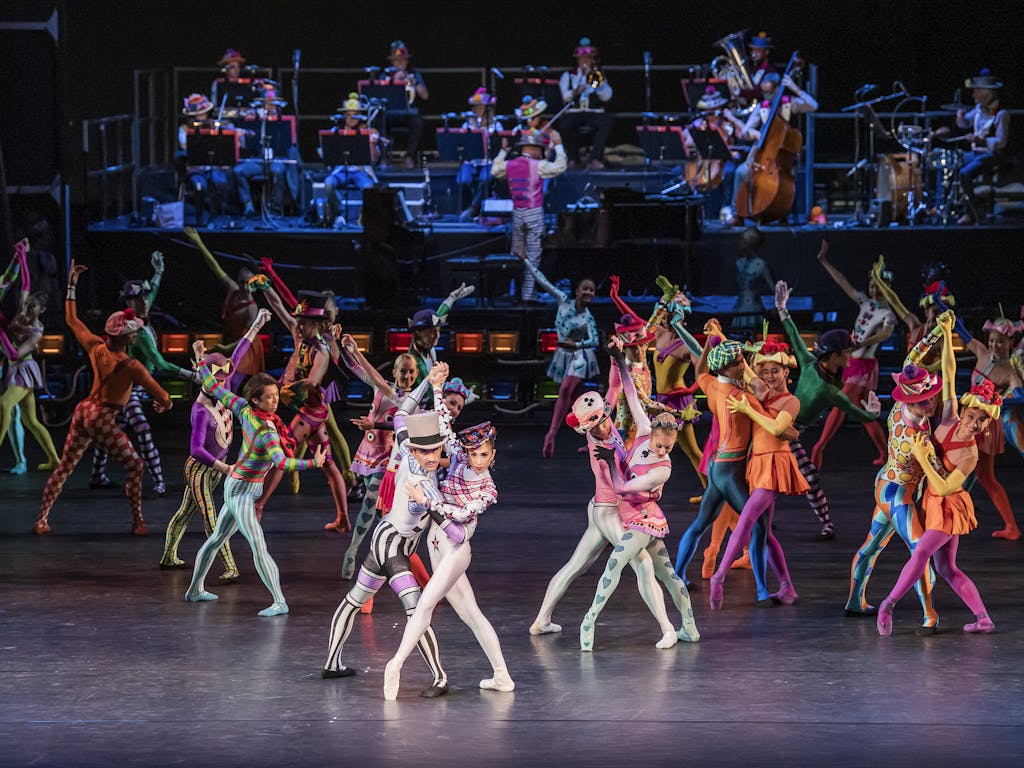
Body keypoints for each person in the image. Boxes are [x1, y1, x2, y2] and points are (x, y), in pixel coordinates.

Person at [321, 366, 450, 699]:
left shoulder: (406, 445)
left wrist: (428, 382)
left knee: (355, 599)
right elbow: (449, 522)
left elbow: (403, 410)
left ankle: (332, 663)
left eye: (437, 450)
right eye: (429, 451)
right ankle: (438, 676)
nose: (433, 456)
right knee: (416, 609)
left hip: (384, 536)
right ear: (418, 450)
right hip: (394, 546)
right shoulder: (422, 481)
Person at [530, 350, 679, 637]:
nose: (601, 427)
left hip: (600, 508)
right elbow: (620, 488)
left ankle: (540, 621)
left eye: (602, 421)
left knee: (576, 565)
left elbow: (614, 387)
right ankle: (667, 629)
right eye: (594, 425)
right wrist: (649, 488)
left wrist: (615, 361)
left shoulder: (606, 420)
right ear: (586, 427)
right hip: (609, 509)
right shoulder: (600, 452)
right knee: (643, 564)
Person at [876, 311, 997, 635]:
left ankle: (888, 604)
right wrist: (945, 335)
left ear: (987, 426)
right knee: (947, 567)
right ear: (966, 410)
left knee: (922, 553)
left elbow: (944, 488)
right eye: (972, 415)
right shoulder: (949, 417)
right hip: (931, 499)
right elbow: (949, 369)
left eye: (981, 421)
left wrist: (922, 455)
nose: (973, 423)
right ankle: (983, 617)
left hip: (948, 504)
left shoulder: (970, 454)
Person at [185, 343, 327, 617]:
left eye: (276, 396)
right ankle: (279, 601)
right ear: (256, 401)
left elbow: (212, 387)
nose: (275, 401)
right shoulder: (266, 431)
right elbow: (282, 463)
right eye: (270, 398)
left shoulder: (243, 408)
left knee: (216, 539)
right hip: (241, 490)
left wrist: (201, 358)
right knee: (257, 543)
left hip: (241, 486)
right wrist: (314, 462)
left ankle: (194, 590)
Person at [35, 260, 172, 536]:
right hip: (103, 415)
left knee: (65, 466)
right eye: (133, 331)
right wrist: (164, 403)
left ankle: (42, 519)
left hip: (84, 409)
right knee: (134, 464)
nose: (136, 333)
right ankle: (137, 522)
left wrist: (72, 285)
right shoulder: (132, 366)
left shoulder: (96, 346)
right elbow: (164, 395)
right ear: (125, 337)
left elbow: (72, 320)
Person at [581, 341, 700, 651]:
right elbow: (632, 394)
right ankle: (690, 629)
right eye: (660, 445)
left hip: (641, 521)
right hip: (634, 516)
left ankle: (589, 622)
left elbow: (622, 489)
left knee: (614, 566)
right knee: (668, 574)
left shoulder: (664, 469)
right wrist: (621, 361)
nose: (662, 451)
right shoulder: (646, 429)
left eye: (669, 447)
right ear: (654, 434)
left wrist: (610, 465)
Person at [383, 421, 514, 700]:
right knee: (473, 615)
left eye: (484, 455)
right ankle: (502, 676)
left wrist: (427, 501)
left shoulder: (488, 490)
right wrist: (437, 387)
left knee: (425, 603)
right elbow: (442, 420)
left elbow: (459, 522)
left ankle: (395, 664)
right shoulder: (456, 459)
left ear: (493, 456)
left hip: (455, 551)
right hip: (436, 546)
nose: (478, 461)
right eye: (474, 454)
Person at [845, 320, 948, 631]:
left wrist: (937, 333)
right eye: (924, 399)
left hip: (887, 485)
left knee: (872, 545)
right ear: (910, 401)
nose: (931, 402)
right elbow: (933, 469)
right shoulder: (912, 437)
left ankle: (854, 601)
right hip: (897, 493)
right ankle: (930, 614)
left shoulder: (901, 407)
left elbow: (911, 361)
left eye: (930, 397)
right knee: (920, 551)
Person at [159, 308, 271, 577]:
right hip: (200, 469)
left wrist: (257, 323)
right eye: (215, 379)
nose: (221, 383)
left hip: (216, 470)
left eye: (223, 378)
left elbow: (240, 351)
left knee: (186, 511)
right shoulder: (199, 411)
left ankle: (168, 556)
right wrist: (224, 468)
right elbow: (196, 450)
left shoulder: (224, 387)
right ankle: (230, 567)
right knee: (211, 516)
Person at [775, 281, 882, 538]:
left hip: (789, 433)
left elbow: (860, 416)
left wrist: (873, 413)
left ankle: (827, 525)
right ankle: (753, 519)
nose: (849, 357)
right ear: (833, 356)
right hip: (774, 426)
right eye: (845, 352)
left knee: (808, 477)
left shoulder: (831, 389)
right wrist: (781, 308)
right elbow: (793, 336)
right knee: (760, 478)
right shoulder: (817, 374)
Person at [708, 334, 805, 608]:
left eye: (776, 370)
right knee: (765, 531)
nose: (770, 375)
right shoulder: (761, 392)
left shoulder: (790, 401)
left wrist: (746, 409)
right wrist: (728, 343)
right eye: (766, 371)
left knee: (747, 520)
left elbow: (775, 428)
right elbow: (743, 367)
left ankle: (720, 576)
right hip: (757, 462)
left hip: (774, 464)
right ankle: (787, 587)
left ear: (787, 372)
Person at [91, 252, 200, 496]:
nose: (145, 300)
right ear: (130, 303)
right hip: (128, 387)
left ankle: (97, 474)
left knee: (111, 426)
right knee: (141, 428)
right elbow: (159, 363)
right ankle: (159, 480)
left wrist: (159, 271)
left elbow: (153, 292)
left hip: (133, 385)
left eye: (145, 296)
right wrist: (192, 376)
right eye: (140, 297)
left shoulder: (141, 314)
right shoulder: (135, 331)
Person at [254, 289, 350, 531]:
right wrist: (267, 288)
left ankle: (259, 506)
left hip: (313, 412)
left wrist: (286, 389)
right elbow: (280, 308)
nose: (297, 326)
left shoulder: (321, 349)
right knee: (328, 464)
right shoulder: (301, 339)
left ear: (316, 324)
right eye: (297, 321)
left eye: (303, 323)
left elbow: (313, 381)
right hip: (313, 413)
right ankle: (343, 519)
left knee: (282, 455)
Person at [938, 304, 1022, 539]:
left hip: (983, 427)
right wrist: (944, 308)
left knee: (972, 473)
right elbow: (963, 333)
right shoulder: (983, 353)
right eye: (993, 340)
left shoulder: (1009, 373)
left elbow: (1019, 395)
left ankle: (949, 521)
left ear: (1011, 344)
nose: (995, 345)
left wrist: (1000, 402)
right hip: (968, 421)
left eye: (1001, 342)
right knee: (980, 476)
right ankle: (1007, 526)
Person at [812, 241, 893, 470]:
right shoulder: (866, 304)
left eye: (879, 287)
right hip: (853, 361)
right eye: (872, 286)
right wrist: (824, 261)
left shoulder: (888, 313)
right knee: (864, 410)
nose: (875, 290)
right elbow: (842, 282)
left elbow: (885, 334)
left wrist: (860, 343)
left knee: (841, 404)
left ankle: (820, 446)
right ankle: (886, 452)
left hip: (864, 365)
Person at [516, 252, 598, 457]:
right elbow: (542, 281)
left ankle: (551, 434)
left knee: (565, 391)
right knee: (577, 401)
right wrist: (525, 260)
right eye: (585, 288)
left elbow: (595, 340)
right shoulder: (563, 301)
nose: (589, 292)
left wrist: (577, 344)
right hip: (564, 355)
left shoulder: (588, 317)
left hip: (580, 356)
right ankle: (596, 439)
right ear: (577, 291)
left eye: (592, 290)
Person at [0, 243, 60, 472]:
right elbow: (24, 284)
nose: (27, 308)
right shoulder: (23, 311)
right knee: (30, 421)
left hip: (24, 370)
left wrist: (1, 334)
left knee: (5, 405)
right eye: (28, 304)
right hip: (14, 369)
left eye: (32, 306)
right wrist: (22, 256)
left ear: (41, 310)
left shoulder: (36, 333)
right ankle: (54, 459)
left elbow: (14, 353)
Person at [491, 130, 567, 302]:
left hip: (518, 213)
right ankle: (527, 295)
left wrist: (503, 152)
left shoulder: (510, 164)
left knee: (516, 253)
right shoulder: (538, 166)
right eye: (539, 150)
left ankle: (513, 291)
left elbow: (495, 170)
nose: (541, 153)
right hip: (533, 213)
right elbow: (559, 167)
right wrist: (559, 147)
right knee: (532, 257)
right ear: (532, 149)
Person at [184, 227, 264, 381]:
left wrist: (227, 348)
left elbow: (250, 337)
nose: (246, 287)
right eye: (242, 283)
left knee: (231, 381)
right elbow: (214, 266)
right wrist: (199, 242)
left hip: (245, 347)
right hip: (230, 343)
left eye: (250, 283)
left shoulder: (251, 307)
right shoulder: (233, 289)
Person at [955, 69, 1009, 225]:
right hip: (977, 153)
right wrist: (960, 118)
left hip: (993, 154)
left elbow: (1001, 141)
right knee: (954, 162)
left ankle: (973, 212)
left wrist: (981, 141)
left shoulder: (1001, 114)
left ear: (986, 93)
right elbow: (965, 123)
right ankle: (956, 205)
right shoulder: (978, 110)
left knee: (965, 173)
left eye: (976, 92)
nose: (973, 95)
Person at [323, 92, 382, 227]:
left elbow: (375, 158)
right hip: (341, 170)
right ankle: (339, 212)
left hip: (360, 171)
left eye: (355, 114)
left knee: (369, 188)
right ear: (344, 116)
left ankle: (364, 217)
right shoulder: (336, 131)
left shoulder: (368, 131)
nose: (351, 118)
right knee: (328, 183)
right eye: (348, 114)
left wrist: (372, 142)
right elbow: (326, 154)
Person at [177, 94, 234, 225]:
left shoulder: (213, 125)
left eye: (203, 114)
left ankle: (217, 215)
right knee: (199, 185)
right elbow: (185, 146)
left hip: (213, 165)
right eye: (197, 115)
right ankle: (200, 218)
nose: (201, 117)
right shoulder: (185, 129)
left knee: (220, 182)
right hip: (195, 167)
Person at [558, 38, 613, 169]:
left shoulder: (598, 75)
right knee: (565, 124)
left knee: (607, 122)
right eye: (582, 59)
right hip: (575, 112)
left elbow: (607, 97)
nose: (585, 62)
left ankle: (595, 158)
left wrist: (599, 86)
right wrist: (576, 90)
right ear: (577, 60)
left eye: (588, 59)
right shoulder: (568, 75)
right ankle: (573, 158)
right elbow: (564, 97)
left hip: (594, 112)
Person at [457, 88, 503, 221]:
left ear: (488, 109)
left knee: (485, 179)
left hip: (487, 161)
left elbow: (497, 146)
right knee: (463, 181)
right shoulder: (467, 124)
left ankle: (473, 209)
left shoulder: (496, 125)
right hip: (470, 161)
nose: (477, 110)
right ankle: (467, 208)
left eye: (481, 107)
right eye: (475, 107)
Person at [381, 40, 428, 168]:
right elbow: (379, 96)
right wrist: (394, 81)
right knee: (379, 123)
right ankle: (383, 158)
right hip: (390, 114)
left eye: (403, 60)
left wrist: (415, 83)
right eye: (397, 60)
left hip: (408, 113)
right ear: (392, 62)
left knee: (418, 123)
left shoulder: (414, 74)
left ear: (407, 62)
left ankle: (409, 156)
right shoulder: (385, 75)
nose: (400, 63)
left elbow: (425, 96)